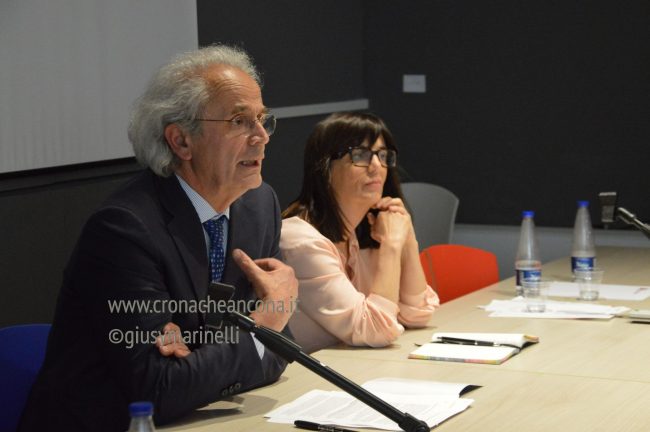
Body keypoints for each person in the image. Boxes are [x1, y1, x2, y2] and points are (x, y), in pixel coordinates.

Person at [19, 45, 298, 431]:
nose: (261, 137)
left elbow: (280, 351)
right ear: (181, 141)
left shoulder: (258, 205)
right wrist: (261, 326)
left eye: (262, 119)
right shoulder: (124, 230)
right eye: (239, 121)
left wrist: (209, 358)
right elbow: (158, 391)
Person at [280, 112, 439, 353]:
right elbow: (374, 330)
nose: (377, 166)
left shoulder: (366, 229)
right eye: (361, 155)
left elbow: (416, 313)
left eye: (382, 155)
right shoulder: (300, 241)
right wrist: (392, 245)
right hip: (305, 375)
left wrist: (407, 239)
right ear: (326, 166)